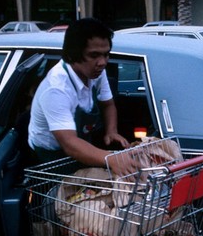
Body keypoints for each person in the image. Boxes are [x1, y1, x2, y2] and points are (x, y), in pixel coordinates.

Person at [27, 17, 137, 176]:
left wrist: (111, 131)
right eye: (94, 55)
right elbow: (69, 143)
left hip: (81, 144)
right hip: (51, 155)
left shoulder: (97, 72)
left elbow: (108, 104)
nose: (103, 62)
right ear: (73, 54)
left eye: (106, 54)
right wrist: (112, 159)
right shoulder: (56, 89)